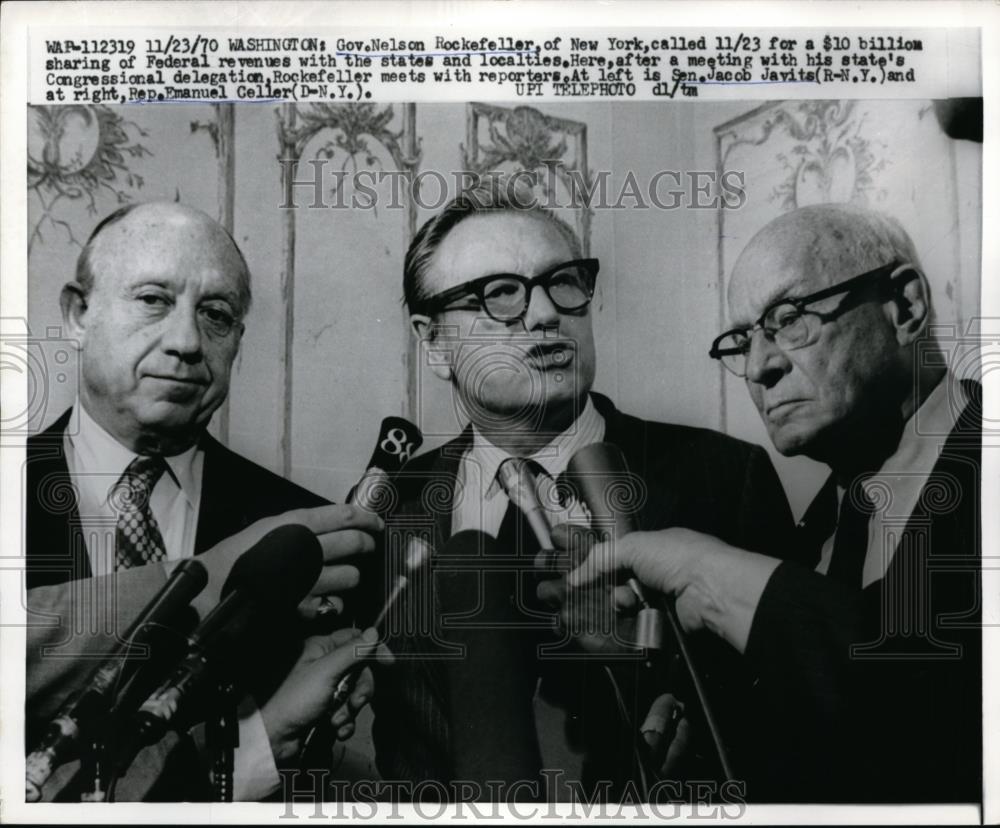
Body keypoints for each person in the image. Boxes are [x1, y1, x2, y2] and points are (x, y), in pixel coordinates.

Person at [370, 181, 798, 801]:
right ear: (434, 342)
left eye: (563, 282)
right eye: (501, 295)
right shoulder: (392, 509)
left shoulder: (724, 476)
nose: (545, 314)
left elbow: (793, 715)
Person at [568, 203, 982, 803]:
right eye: (742, 340)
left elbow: (935, 712)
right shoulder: (811, 532)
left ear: (904, 307)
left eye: (789, 319)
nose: (760, 365)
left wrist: (706, 573)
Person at [24, 201, 384, 800]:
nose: (188, 341)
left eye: (215, 314)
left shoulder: (314, 540)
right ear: (78, 313)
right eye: (153, 300)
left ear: (238, 340)